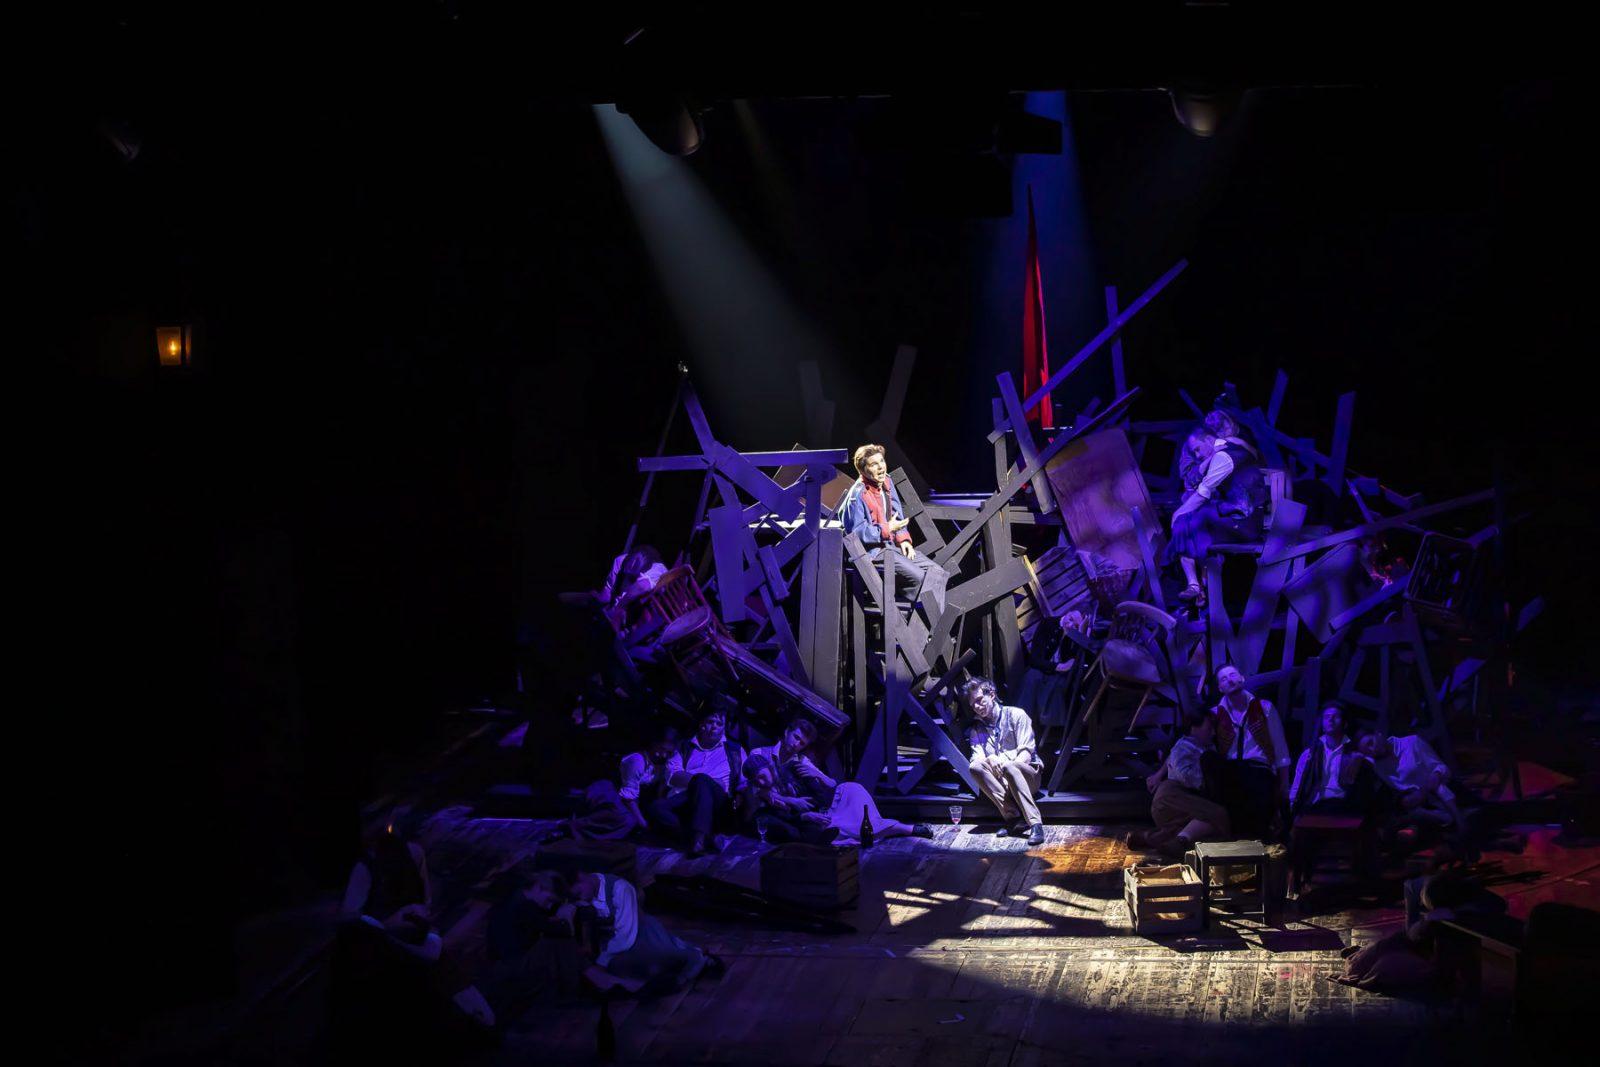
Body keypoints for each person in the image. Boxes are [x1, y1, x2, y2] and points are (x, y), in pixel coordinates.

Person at [839, 444, 949, 627]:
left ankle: (934, 630)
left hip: (891, 547)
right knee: (920, 578)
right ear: (863, 470)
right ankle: (925, 629)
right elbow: (856, 533)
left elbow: (896, 515)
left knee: (937, 572)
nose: (880, 467)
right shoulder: (857, 495)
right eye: (873, 464)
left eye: (881, 461)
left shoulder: (887, 483)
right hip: (873, 553)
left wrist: (904, 540)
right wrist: (886, 528)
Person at [1167, 410, 1269, 602]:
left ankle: (1199, 585)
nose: (1197, 455)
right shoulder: (1228, 450)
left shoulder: (1225, 456)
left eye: (1198, 449)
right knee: (1191, 520)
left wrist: (1178, 514)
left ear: (1209, 439)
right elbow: (1192, 479)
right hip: (1238, 513)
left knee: (1187, 520)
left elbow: (1203, 492)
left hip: (1244, 521)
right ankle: (1196, 585)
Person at [644, 707, 745, 856]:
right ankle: (706, 836)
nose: (714, 727)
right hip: (686, 800)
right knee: (656, 807)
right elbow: (673, 776)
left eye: (719, 724)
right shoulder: (684, 746)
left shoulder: (735, 750)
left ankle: (698, 841)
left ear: (723, 728)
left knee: (702, 781)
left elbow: (744, 783)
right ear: (702, 724)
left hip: (718, 804)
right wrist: (702, 781)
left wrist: (706, 783)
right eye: (710, 722)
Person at [961, 676, 1046, 846]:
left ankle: (1035, 824)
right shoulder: (976, 729)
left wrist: (1004, 764)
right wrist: (990, 759)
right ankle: (1014, 818)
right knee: (975, 766)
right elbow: (977, 759)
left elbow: (1026, 755)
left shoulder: (1016, 715)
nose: (977, 707)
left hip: (1028, 777)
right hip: (1003, 781)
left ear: (992, 694)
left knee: (1010, 766)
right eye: (973, 704)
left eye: (979, 700)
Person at [1210, 665, 1293, 839]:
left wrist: (1284, 783)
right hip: (1230, 771)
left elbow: (1280, 748)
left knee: (1258, 821)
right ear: (1220, 688)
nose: (1230, 680)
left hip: (1259, 770)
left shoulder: (1264, 707)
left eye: (1233, 675)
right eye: (1224, 678)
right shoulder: (1215, 714)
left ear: (1242, 678)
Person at [1135, 710, 1230, 857]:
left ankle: (1151, 838)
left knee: (1199, 822)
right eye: (1208, 728)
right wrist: (1207, 782)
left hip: (1183, 795)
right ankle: (1179, 841)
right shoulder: (1184, 746)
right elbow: (1184, 774)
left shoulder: (1203, 746)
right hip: (1173, 795)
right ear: (1194, 728)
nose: (1212, 733)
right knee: (1217, 815)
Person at [1289, 703, 1377, 816]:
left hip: (1344, 809)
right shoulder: (1310, 754)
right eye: (1326, 717)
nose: (1330, 719)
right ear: (1322, 724)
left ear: (1345, 724)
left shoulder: (1353, 751)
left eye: (1335, 716)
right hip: (1314, 807)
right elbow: (1297, 785)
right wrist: (1292, 807)